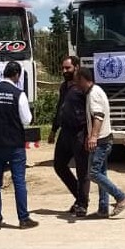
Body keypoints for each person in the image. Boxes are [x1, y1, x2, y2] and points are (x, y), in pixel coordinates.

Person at [0, 61, 38, 230]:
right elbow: (27, 120)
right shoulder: (18, 93)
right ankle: (23, 219)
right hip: (14, 145)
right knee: (19, 181)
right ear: (17, 75)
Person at [75, 68, 125, 218]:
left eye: (77, 80)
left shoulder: (93, 94)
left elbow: (98, 117)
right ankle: (103, 208)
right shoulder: (95, 91)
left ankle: (120, 197)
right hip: (102, 139)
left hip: (101, 141)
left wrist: (93, 137)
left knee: (93, 173)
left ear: (82, 79)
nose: (76, 84)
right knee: (102, 172)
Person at [48, 55, 90, 217]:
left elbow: (91, 111)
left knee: (82, 170)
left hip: (79, 133)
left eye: (68, 68)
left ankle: (82, 204)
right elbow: (60, 108)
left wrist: (90, 134)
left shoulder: (83, 87)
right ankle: (78, 197)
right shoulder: (64, 87)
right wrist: (53, 130)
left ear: (77, 67)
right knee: (59, 165)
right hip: (64, 133)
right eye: (63, 68)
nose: (64, 71)